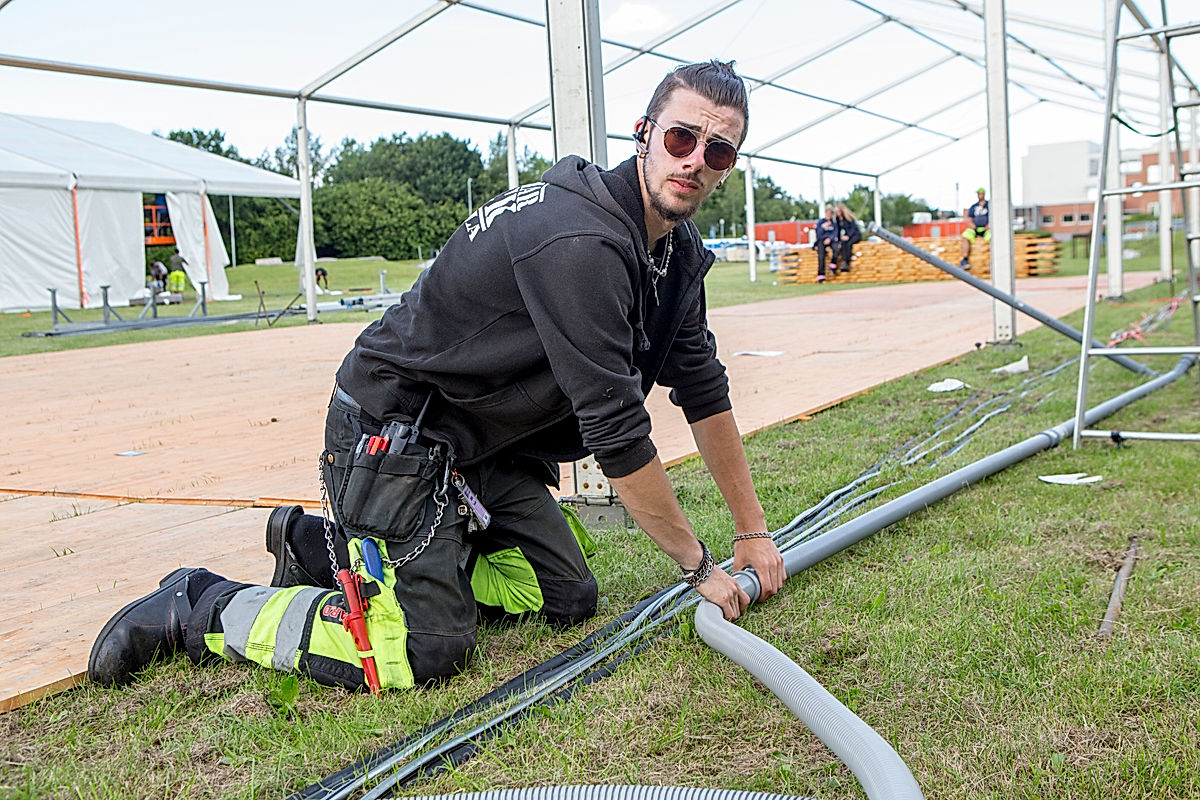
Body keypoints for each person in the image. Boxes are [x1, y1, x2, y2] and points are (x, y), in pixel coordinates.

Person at [88, 60, 786, 693]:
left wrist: (753, 531)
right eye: (680, 139)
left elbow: (701, 386)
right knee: (427, 648)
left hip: (478, 448)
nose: (695, 161)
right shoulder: (582, 242)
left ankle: (316, 546)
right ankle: (199, 604)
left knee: (565, 597)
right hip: (392, 434)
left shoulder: (676, 251)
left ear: (729, 166)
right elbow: (617, 431)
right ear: (643, 133)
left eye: (717, 150)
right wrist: (698, 566)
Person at [960, 188, 989, 269]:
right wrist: (971, 225)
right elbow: (969, 218)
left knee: (992, 238)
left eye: (981, 193)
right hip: (975, 229)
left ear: (984, 194)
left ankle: (992, 260)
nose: (980, 195)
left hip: (986, 229)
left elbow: (993, 216)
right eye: (978, 194)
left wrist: (989, 225)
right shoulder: (974, 206)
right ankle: (965, 260)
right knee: (965, 236)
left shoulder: (989, 205)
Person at [812, 206, 838, 282]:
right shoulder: (821, 222)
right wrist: (823, 227)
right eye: (827, 213)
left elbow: (835, 233)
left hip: (830, 240)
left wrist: (830, 238)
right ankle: (821, 275)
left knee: (836, 248)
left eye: (830, 213)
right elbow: (818, 234)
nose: (829, 215)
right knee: (821, 255)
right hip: (821, 240)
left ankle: (833, 264)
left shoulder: (834, 223)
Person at [834, 204, 861, 273]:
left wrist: (848, 236)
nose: (837, 213)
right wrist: (838, 239)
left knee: (849, 244)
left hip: (855, 235)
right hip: (847, 235)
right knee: (843, 244)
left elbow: (852, 229)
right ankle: (844, 262)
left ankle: (846, 262)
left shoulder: (848, 218)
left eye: (838, 211)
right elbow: (838, 230)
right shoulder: (838, 219)